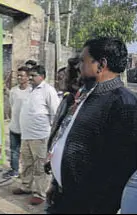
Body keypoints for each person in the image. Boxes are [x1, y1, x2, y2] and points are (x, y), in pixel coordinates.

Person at [46, 37, 137, 214]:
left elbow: (122, 169)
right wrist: (55, 183)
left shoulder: (125, 104)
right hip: (63, 197)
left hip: (87, 206)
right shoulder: (85, 96)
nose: (79, 67)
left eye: (83, 61)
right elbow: (65, 140)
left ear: (100, 65)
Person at [13, 65, 60, 206]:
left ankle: (40, 193)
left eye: (33, 75)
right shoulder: (29, 90)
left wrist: (51, 134)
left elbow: (55, 113)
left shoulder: (48, 91)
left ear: (42, 76)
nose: (30, 78)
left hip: (40, 136)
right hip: (26, 135)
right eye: (30, 75)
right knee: (26, 163)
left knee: (40, 166)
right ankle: (26, 186)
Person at [44, 57, 82, 175]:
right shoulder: (68, 99)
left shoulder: (80, 102)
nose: (59, 81)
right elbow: (58, 131)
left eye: (64, 76)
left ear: (75, 79)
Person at [3, 66, 31, 178]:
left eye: (22, 75)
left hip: (27, 129)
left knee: (26, 154)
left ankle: (26, 175)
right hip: (14, 126)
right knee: (14, 151)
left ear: (28, 77)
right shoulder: (14, 91)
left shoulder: (32, 91)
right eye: (18, 75)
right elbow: (12, 105)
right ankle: (14, 170)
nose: (19, 77)